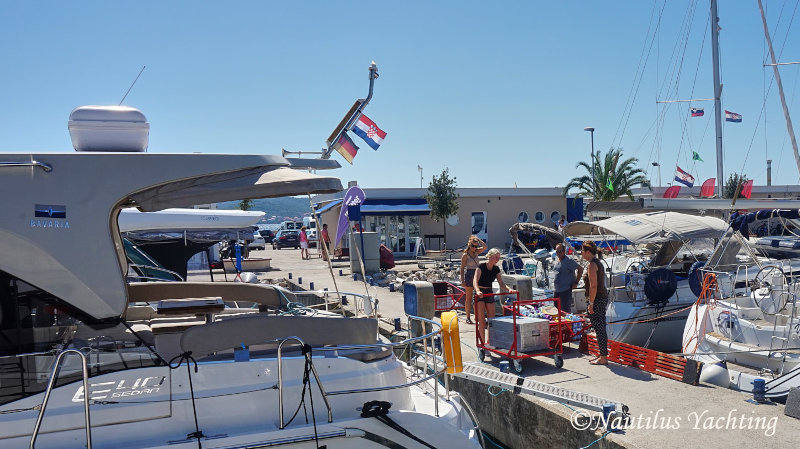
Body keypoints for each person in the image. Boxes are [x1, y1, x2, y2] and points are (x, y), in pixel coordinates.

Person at [473, 248, 509, 346]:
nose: (497, 259)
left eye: (498, 257)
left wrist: (509, 290)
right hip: (480, 291)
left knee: (491, 319)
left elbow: (501, 283)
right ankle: (482, 343)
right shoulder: (481, 266)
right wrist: (477, 291)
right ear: (490, 256)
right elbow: (475, 280)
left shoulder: (496, 269)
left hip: (489, 291)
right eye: (495, 257)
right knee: (481, 321)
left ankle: (489, 341)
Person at [581, 240, 609, 365]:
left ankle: (603, 357)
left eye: (582, 251)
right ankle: (603, 355)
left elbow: (593, 286)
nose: (581, 253)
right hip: (601, 298)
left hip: (596, 300)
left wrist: (591, 304)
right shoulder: (598, 262)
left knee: (599, 328)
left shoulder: (592, 265)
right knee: (601, 327)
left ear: (587, 252)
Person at [460, 235, 486, 324]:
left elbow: (485, 247)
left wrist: (479, 240)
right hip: (470, 274)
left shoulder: (477, 252)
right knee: (469, 298)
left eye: (476, 246)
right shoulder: (465, 255)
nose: (474, 248)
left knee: (478, 297)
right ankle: (468, 317)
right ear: (469, 245)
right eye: (473, 246)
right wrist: (462, 280)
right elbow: (462, 268)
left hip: (477, 274)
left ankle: (477, 317)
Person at [553, 243, 583, 313]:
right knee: (556, 311)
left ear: (564, 252)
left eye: (560, 251)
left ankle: (567, 324)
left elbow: (580, 269)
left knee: (565, 311)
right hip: (557, 290)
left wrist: (576, 282)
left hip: (565, 290)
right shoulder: (557, 260)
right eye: (557, 251)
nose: (558, 253)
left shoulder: (568, 260)